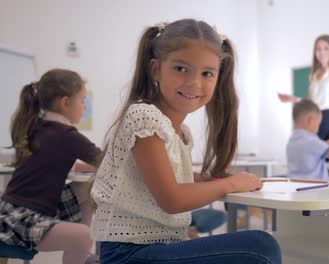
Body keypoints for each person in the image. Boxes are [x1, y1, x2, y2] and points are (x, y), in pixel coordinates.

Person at [90, 19, 281, 264]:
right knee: (260, 247)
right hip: (128, 253)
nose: (194, 83)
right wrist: (231, 184)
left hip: (161, 246)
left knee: (258, 245)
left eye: (207, 73)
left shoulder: (181, 133)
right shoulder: (144, 117)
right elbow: (173, 199)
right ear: (156, 69)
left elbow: (163, 181)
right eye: (181, 69)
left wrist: (196, 178)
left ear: (217, 77)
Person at [0, 69, 101, 264]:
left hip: (13, 209)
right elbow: (104, 160)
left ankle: (80, 255)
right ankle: (80, 252)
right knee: (83, 235)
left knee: (88, 188)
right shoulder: (66, 135)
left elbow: (54, 163)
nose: (84, 106)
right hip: (22, 219)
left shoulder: (38, 127)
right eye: (82, 100)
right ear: (65, 102)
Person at [278, 34, 329, 141]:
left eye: (326, 48)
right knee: (317, 156)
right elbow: (313, 103)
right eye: (318, 49)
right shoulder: (314, 75)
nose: (322, 52)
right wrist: (294, 99)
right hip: (317, 119)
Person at [286, 99, 329, 181]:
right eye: (318, 124)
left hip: (295, 186)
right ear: (310, 120)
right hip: (315, 189)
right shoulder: (312, 141)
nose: (318, 128)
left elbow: (311, 151)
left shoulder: (292, 140)